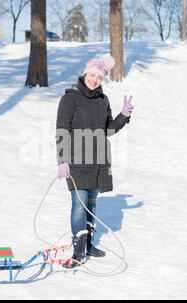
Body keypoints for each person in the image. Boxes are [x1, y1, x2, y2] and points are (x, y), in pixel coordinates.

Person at [55, 56, 134, 269]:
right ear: (85, 74)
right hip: (77, 162)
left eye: (99, 77)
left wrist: (123, 116)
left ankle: (88, 245)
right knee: (79, 206)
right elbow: (62, 129)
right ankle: (78, 251)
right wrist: (62, 160)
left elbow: (108, 129)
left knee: (90, 204)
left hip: (98, 161)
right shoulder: (70, 98)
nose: (94, 80)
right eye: (92, 75)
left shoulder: (103, 100)